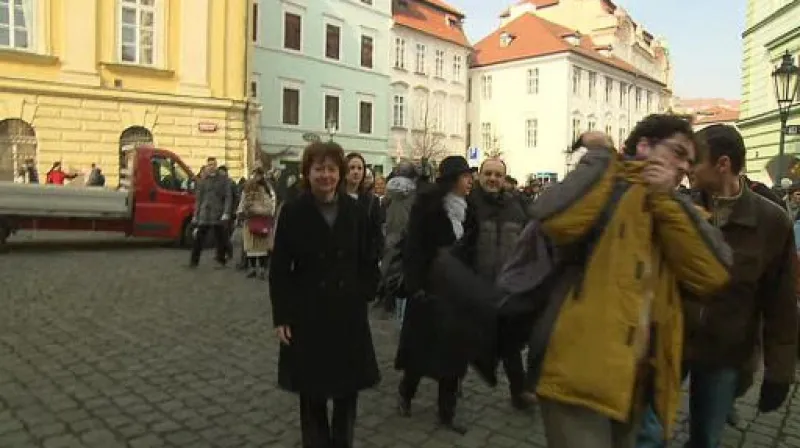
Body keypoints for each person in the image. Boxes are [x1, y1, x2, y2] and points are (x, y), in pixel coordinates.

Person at [528, 116, 732, 448]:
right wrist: (601, 157)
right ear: (644, 146)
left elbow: (712, 272)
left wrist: (664, 200)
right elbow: (554, 219)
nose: (684, 167)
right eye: (678, 153)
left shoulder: (674, 208)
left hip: (636, 384)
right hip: (578, 374)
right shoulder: (607, 186)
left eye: (689, 162)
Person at [636, 124, 798, 448]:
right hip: (673, 342)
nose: (686, 169)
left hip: (726, 352)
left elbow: (780, 306)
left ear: (722, 164)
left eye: (695, 160)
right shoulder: (679, 207)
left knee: (705, 439)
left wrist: (779, 372)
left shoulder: (772, 221)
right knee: (648, 434)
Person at [269, 141, 380, 448]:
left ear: (340, 173)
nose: (326, 175)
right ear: (308, 172)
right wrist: (282, 316)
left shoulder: (356, 211)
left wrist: (365, 291)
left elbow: (370, 255)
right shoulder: (293, 211)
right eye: (319, 169)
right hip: (309, 314)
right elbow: (280, 269)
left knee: (347, 393)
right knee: (312, 394)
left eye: (331, 169)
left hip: (348, 314)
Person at [395, 155, 477, 435]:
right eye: (466, 176)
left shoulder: (469, 208)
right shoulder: (428, 207)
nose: (470, 181)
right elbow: (413, 250)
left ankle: (446, 413)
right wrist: (415, 286)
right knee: (419, 354)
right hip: (428, 293)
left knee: (453, 359)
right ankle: (406, 393)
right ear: (453, 179)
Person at [469, 158, 531, 410]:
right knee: (458, 342)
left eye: (498, 175)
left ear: (505, 179)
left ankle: (519, 393)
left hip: (506, 290)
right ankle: (445, 394)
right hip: (474, 288)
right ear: (479, 176)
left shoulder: (517, 208)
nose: (493, 179)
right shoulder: (468, 205)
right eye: (488, 174)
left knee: (510, 346)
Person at [189, 157, 232, 268]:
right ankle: (194, 261)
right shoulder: (202, 181)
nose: (211, 167)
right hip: (204, 214)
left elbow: (228, 197)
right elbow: (198, 199)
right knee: (199, 238)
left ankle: (221, 261)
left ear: (216, 166)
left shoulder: (223, 180)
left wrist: (226, 212)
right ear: (207, 166)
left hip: (218, 214)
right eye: (209, 165)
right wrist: (195, 215)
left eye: (213, 164)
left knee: (220, 239)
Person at [345, 153, 384, 267]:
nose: (356, 172)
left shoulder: (372, 200)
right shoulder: (336, 197)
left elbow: (377, 232)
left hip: (365, 262)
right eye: (352, 168)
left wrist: (377, 255)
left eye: (360, 168)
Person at [236, 168, 276, 279]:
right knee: (250, 248)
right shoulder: (248, 187)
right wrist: (240, 213)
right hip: (250, 220)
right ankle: (253, 268)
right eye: (255, 174)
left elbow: (272, 202)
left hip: (263, 220)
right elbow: (243, 201)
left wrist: (268, 213)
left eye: (259, 174)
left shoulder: (267, 188)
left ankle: (262, 269)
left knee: (262, 247)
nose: (257, 177)